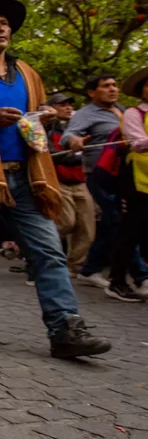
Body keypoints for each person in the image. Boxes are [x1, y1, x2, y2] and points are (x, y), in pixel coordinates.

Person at [0, 0, 109, 358]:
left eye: (5, 24)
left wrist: (42, 116)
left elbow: (36, 124)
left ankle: (65, 328)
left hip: (28, 179)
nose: (1, 28)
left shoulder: (28, 74)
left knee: (49, 253)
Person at [63, 75, 148, 293]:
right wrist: (75, 141)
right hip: (101, 176)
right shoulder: (86, 114)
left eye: (114, 85)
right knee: (119, 222)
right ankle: (138, 276)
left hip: (126, 177)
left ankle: (90, 268)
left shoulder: (122, 110)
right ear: (92, 92)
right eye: (106, 86)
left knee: (118, 224)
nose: (112, 89)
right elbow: (69, 136)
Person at [45, 94, 95, 277]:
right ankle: (37, 254)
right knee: (66, 222)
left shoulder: (78, 127)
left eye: (69, 105)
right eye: (62, 105)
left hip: (81, 182)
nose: (67, 108)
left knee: (88, 229)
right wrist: (73, 154)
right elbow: (49, 154)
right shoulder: (48, 128)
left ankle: (73, 268)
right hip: (59, 181)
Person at [115, 67, 148, 298]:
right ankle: (117, 280)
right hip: (138, 179)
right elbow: (137, 142)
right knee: (131, 231)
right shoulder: (134, 113)